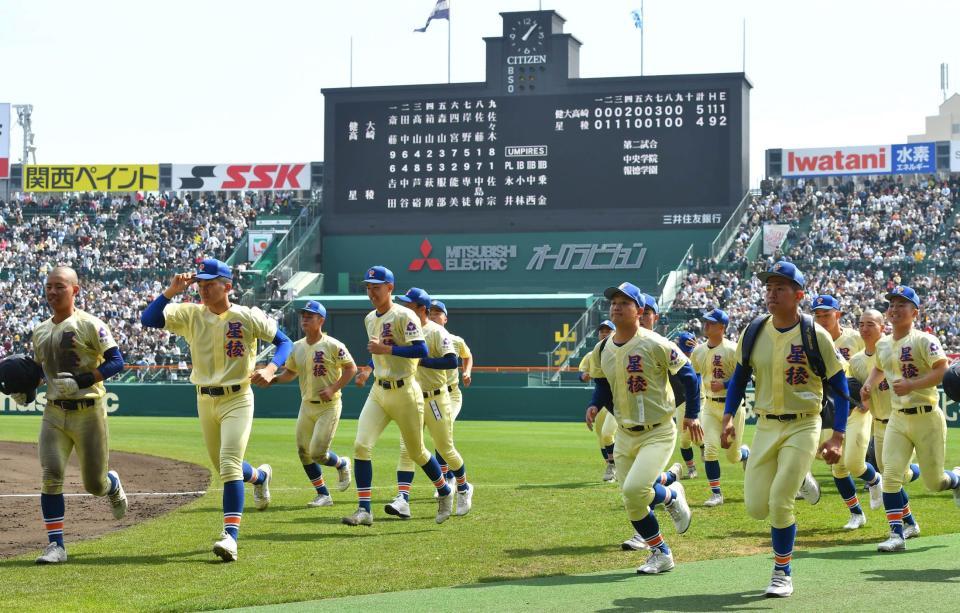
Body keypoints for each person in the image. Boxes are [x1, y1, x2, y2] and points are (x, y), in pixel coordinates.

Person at [140, 258, 294, 562]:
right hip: (205, 399)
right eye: (200, 284)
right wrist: (170, 291)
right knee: (225, 466)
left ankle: (230, 537)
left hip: (238, 397)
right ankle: (260, 477)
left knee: (228, 464)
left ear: (228, 286)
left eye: (210, 284)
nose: (204, 290)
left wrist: (272, 367)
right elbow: (148, 319)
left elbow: (284, 342)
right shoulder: (190, 314)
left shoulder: (247, 316)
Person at [722, 261, 849, 597]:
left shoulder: (814, 334)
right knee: (755, 508)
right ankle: (799, 480)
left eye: (780, 288)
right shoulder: (754, 330)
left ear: (798, 295)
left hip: (805, 423)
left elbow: (841, 389)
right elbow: (737, 379)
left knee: (780, 501)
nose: (772, 293)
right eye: (769, 287)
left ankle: (782, 572)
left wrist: (838, 435)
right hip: (765, 425)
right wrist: (727, 417)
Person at [585, 282, 702, 575]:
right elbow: (601, 383)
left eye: (624, 302)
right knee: (631, 500)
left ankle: (672, 495)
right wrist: (594, 404)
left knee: (636, 489)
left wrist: (693, 415)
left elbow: (689, 376)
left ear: (639, 310)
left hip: (658, 430)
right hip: (625, 432)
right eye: (613, 301)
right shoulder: (602, 348)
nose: (616, 306)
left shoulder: (656, 343)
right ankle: (661, 551)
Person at [30, 266, 128, 565]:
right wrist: (25, 390)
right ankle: (56, 545)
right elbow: (37, 371)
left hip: (88, 411)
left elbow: (117, 361)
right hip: (54, 411)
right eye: (48, 286)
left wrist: (83, 380)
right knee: (50, 475)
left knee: (94, 485)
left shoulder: (90, 324)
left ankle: (111, 484)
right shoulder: (40, 330)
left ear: (75, 290)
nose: (52, 292)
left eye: (59, 286)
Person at [343, 267, 454, 527]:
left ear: (390, 288)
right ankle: (364, 509)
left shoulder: (405, 315)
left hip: (405, 391)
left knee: (417, 451)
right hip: (379, 391)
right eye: (368, 287)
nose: (371, 292)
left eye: (376, 287)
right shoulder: (370, 318)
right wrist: (367, 369)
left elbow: (421, 349)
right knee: (361, 445)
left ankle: (445, 491)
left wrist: (387, 348)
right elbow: (376, 352)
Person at [862, 285, 960, 552]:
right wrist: (869, 384)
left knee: (934, 482)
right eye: (892, 304)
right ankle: (897, 534)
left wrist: (913, 384)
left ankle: (957, 479)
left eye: (901, 305)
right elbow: (879, 368)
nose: (894, 309)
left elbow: (944, 370)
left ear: (914, 312)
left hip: (927, 417)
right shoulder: (883, 343)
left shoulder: (924, 340)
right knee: (890, 475)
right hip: (898, 417)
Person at [386, 287, 473, 519]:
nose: (404, 307)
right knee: (407, 449)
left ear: (420, 309)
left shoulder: (437, 332)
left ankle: (463, 487)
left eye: (409, 304)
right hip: (412, 398)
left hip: (436, 397)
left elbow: (451, 362)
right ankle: (402, 499)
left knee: (445, 448)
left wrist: (421, 359)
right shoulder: (403, 330)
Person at [269, 300, 356, 507]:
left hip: (329, 405)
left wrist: (333, 388)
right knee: (303, 451)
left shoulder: (333, 344)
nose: (305, 319)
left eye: (310, 316)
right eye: (303, 316)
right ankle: (323, 494)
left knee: (317, 453)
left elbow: (351, 369)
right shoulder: (297, 346)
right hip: (306, 405)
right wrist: (272, 379)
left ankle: (342, 463)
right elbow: (290, 373)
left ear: (321, 320)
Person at [847, 309, 921, 540]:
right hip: (879, 424)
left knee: (892, 476)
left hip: (903, 421)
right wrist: (861, 399)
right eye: (861, 323)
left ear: (882, 327)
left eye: (870, 323)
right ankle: (910, 523)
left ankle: (896, 532)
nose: (864, 328)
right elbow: (860, 399)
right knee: (893, 478)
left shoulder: (896, 352)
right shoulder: (856, 361)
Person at [810, 294, 872, 530]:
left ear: (838, 314)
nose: (822, 319)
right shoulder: (811, 340)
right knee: (835, 464)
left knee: (858, 463)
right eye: (818, 315)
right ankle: (856, 513)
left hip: (859, 406)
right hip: (829, 409)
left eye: (827, 314)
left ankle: (876, 482)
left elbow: (878, 360)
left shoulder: (856, 338)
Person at [689, 309, 749, 507]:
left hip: (731, 408)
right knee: (710, 450)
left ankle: (745, 454)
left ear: (722, 327)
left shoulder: (732, 349)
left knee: (733, 457)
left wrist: (724, 384)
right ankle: (716, 493)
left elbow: (745, 378)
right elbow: (694, 376)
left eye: (711, 323)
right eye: (706, 322)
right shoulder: (698, 351)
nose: (706, 325)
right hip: (709, 406)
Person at [641, 296, 701, 478]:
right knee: (635, 476)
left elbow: (692, 379)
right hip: (639, 413)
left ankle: (687, 472)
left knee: (696, 440)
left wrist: (692, 413)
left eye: (646, 313)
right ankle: (674, 479)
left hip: (673, 408)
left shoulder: (663, 345)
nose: (641, 317)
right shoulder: (619, 345)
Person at [428, 299, 473, 485]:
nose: (433, 316)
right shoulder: (421, 338)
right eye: (430, 312)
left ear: (445, 318)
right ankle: (450, 477)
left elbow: (467, 356)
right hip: (431, 395)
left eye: (438, 313)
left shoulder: (455, 340)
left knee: (444, 432)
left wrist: (467, 371)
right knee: (439, 437)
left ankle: (448, 479)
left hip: (451, 394)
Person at [581, 319, 618, 483]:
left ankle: (614, 466)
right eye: (602, 331)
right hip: (601, 400)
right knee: (602, 439)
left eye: (608, 330)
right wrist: (583, 376)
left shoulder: (620, 350)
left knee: (607, 434)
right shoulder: (592, 354)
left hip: (619, 399)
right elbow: (582, 374)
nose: (604, 333)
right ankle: (611, 466)